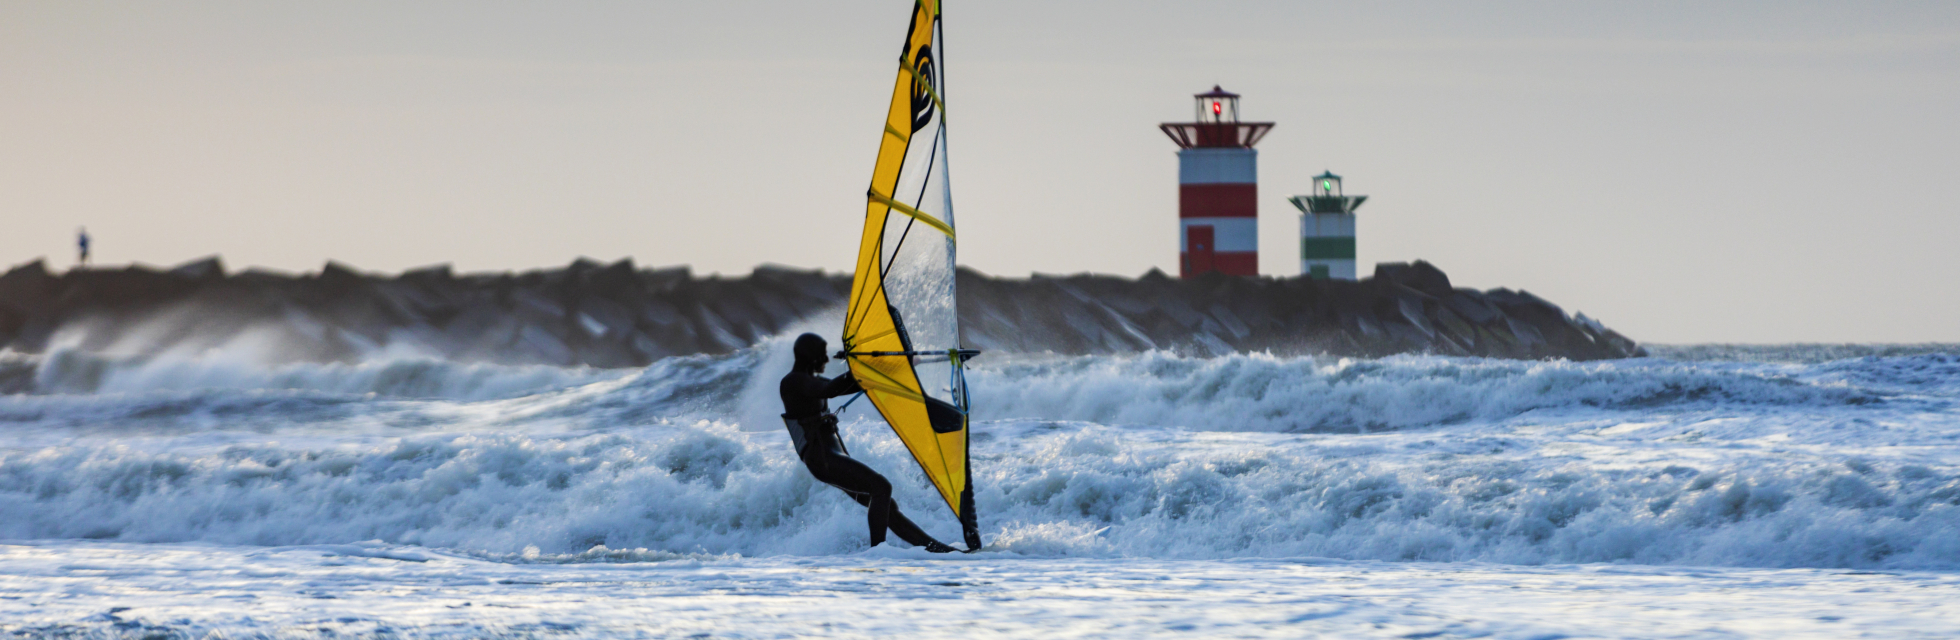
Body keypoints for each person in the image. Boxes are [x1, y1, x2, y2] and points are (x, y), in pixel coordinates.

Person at [780, 332, 954, 553]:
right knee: (881, 488)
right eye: (822, 355)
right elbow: (830, 389)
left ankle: (937, 549)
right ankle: (877, 553)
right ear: (810, 356)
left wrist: (897, 366)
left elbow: (851, 384)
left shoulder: (810, 381)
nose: (826, 360)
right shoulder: (792, 382)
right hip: (822, 458)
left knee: (885, 504)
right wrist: (864, 369)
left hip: (829, 456)